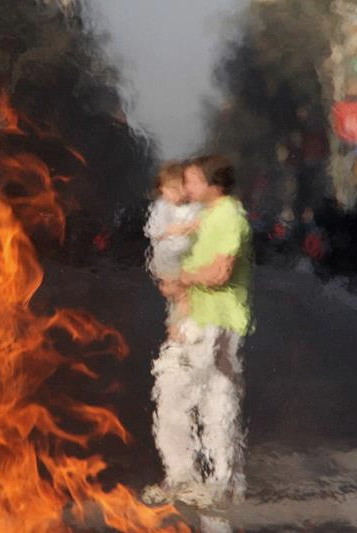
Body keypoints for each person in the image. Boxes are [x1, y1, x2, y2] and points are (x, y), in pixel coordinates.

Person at [147, 155, 253, 514]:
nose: (187, 188)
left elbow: (220, 272)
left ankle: (189, 478)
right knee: (217, 399)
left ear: (213, 184)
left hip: (211, 321)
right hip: (204, 318)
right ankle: (220, 482)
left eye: (192, 181)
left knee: (176, 392)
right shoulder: (208, 216)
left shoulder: (227, 216)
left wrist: (181, 282)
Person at [143, 162, 201, 340]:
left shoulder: (192, 206)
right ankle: (178, 331)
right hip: (168, 262)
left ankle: (180, 329)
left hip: (185, 260)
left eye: (176, 190)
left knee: (184, 299)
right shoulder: (161, 207)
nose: (172, 195)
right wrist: (173, 230)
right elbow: (152, 230)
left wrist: (189, 228)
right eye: (168, 190)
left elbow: (199, 225)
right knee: (181, 297)